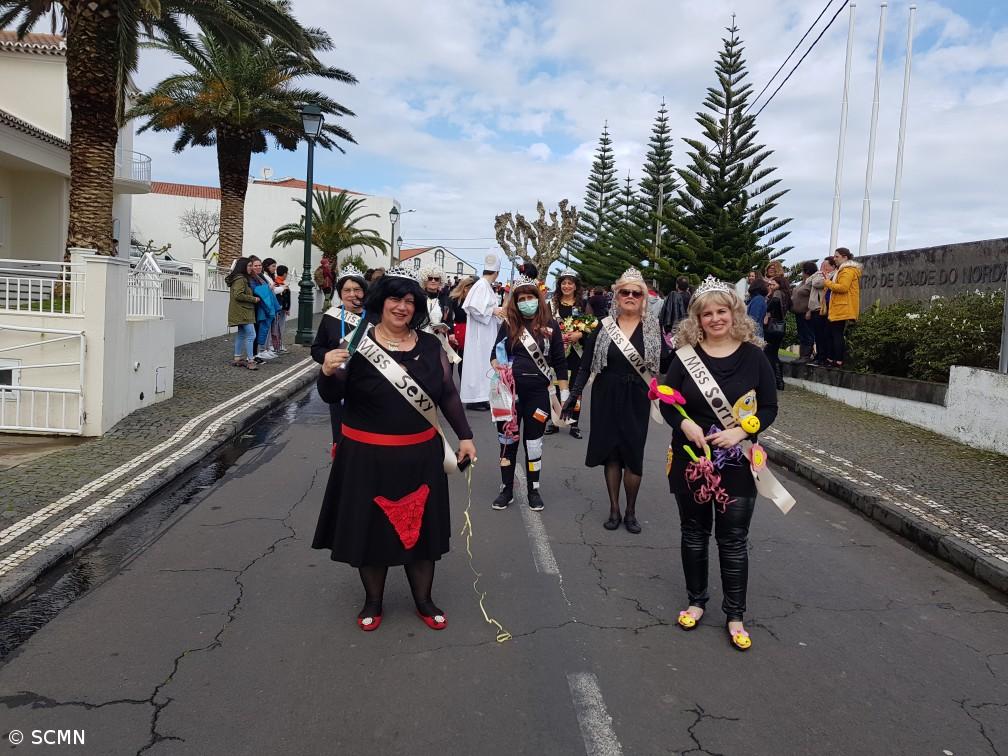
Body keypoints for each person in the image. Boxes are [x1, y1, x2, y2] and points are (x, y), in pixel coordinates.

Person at [312, 267, 476, 632]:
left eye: (409, 301)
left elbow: (447, 393)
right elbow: (331, 395)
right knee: (370, 530)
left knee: (425, 532)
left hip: (420, 456)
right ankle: (373, 601)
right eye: (394, 299)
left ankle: (424, 599)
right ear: (379, 302)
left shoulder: (431, 345)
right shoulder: (356, 343)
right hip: (366, 457)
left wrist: (465, 435)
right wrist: (326, 370)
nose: (402, 307)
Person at [661, 276, 778, 652]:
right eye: (707, 313)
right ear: (697, 318)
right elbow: (667, 401)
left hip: (738, 461)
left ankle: (735, 614)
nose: (715, 319)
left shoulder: (755, 357)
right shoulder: (685, 357)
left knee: (733, 539)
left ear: (734, 313)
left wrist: (741, 432)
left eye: (721, 311)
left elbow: (770, 408)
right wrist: (685, 423)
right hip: (692, 458)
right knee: (693, 532)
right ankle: (696, 602)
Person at [563, 267, 669, 533]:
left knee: (633, 454)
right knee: (611, 454)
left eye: (636, 292)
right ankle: (614, 508)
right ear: (617, 296)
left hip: (637, 396)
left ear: (643, 298)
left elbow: (668, 362)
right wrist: (573, 395)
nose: (630, 296)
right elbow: (586, 365)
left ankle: (631, 511)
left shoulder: (654, 328)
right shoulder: (603, 325)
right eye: (625, 292)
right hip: (606, 393)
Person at [489, 276, 568, 512]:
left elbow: (560, 361)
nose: (526, 302)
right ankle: (506, 489)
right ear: (515, 301)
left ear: (538, 299)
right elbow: (494, 353)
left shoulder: (551, 326)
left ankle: (534, 489)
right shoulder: (508, 324)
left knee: (534, 444)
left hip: (538, 395)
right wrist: (497, 365)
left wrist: (564, 396)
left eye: (530, 297)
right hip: (508, 394)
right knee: (507, 442)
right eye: (521, 298)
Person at [311, 264, 370, 454]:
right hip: (340, 386)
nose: (352, 294)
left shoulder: (376, 318)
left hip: (370, 385)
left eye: (357, 289)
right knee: (342, 437)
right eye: (347, 290)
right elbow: (316, 349)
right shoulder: (331, 317)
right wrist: (327, 356)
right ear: (340, 293)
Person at [547, 269, 589, 438]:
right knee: (555, 387)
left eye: (570, 283)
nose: (566, 286)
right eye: (563, 283)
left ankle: (574, 424)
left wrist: (580, 334)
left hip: (576, 352)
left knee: (575, 389)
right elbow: (543, 324)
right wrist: (555, 334)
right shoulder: (552, 304)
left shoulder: (583, 305)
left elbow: (592, 326)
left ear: (575, 286)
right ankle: (556, 421)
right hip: (557, 351)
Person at [460, 254, 504, 410]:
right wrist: (493, 311)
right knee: (478, 363)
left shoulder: (485, 286)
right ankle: (475, 398)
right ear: (497, 272)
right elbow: (473, 308)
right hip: (479, 334)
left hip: (486, 331)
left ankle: (483, 396)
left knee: (484, 363)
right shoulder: (481, 285)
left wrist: (497, 312)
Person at [822, 247, 862, 369]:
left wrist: (827, 282)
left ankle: (837, 360)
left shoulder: (847, 270)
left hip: (842, 307)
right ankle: (831, 359)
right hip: (838, 307)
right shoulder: (843, 270)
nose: (834, 259)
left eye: (836, 256)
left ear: (845, 257)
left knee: (836, 334)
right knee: (831, 334)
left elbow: (843, 287)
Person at [419, 264, 459, 363]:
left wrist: (446, 328)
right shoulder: (418, 297)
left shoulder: (446, 299)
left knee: (440, 370)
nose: (433, 281)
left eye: (436, 279)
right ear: (425, 280)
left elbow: (450, 321)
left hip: (439, 338)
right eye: (430, 278)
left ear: (440, 282)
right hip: (420, 338)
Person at [226, 257, 259, 370]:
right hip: (243, 311)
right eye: (249, 266)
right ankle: (250, 361)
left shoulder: (240, 278)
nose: (251, 268)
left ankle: (237, 358)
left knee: (241, 334)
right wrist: (253, 299)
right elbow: (238, 295)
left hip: (242, 310)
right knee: (251, 335)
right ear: (243, 267)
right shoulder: (240, 279)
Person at [248, 257, 279, 362]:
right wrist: (268, 288)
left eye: (259, 265)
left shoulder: (260, 276)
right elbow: (254, 290)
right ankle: (251, 355)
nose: (258, 267)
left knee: (258, 331)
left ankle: (255, 354)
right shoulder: (251, 278)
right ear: (251, 266)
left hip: (261, 306)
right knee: (253, 333)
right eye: (255, 265)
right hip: (255, 307)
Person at [448, 276, 476, 378]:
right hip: (454, 332)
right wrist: (451, 332)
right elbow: (449, 318)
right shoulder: (454, 299)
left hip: (467, 333)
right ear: (465, 288)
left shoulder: (472, 301)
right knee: (450, 361)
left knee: (463, 363)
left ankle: (463, 389)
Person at [790, 261, 818, 363]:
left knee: (807, 334)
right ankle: (802, 355)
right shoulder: (803, 282)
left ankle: (806, 355)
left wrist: (809, 311)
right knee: (802, 334)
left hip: (806, 313)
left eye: (802, 271)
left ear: (806, 271)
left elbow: (814, 298)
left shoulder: (812, 282)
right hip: (798, 313)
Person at [764, 276, 788, 390]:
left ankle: (776, 380)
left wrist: (767, 307)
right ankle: (779, 381)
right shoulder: (786, 294)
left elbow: (774, 302)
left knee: (770, 353)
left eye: (773, 284)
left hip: (773, 326)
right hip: (780, 327)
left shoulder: (777, 293)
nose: (771, 287)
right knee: (774, 353)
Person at [262, 258, 288, 355]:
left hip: (274, 306)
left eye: (275, 266)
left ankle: (268, 348)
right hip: (269, 306)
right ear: (267, 266)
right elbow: (271, 290)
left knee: (272, 328)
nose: (274, 268)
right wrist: (282, 288)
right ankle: (265, 349)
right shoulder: (265, 276)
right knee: (269, 328)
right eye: (273, 266)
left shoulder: (270, 277)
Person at [807, 260, 829, 365]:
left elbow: (816, 283)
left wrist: (819, 275)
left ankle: (822, 357)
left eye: (825, 265)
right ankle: (819, 356)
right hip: (814, 308)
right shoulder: (819, 274)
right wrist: (817, 273)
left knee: (821, 335)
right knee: (817, 335)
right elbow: (808, 281)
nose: (822, 267)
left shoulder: (828, 276)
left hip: (820, 309)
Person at [272, 264, 292, 353]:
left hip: (281, 308)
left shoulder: (278, 282)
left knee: (278, 327)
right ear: (284, 274)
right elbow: (283, 298)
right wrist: (286, 308)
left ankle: (278, 345)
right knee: (279, 327)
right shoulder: (279, 283)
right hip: (280, 308)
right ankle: (277, 346)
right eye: (286, 273)